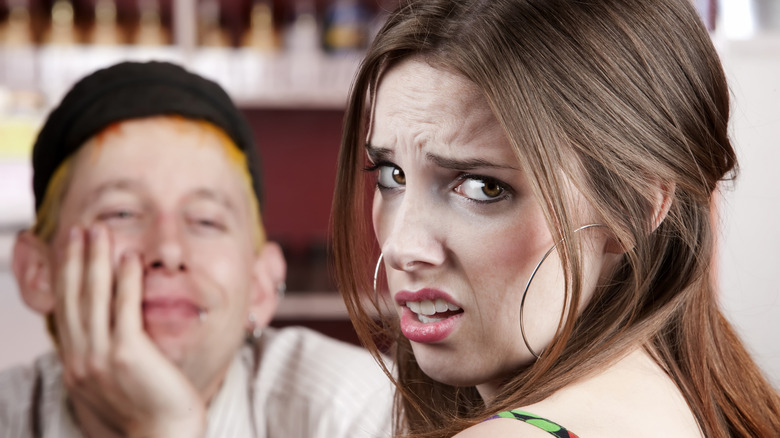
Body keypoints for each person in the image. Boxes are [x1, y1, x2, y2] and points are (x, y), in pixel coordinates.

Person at [331, 0, 780, 437]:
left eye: (481, 187)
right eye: (392, 175)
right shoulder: (695, 402)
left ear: (634, 205)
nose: (402, 246)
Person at [1, 61, 393, 438]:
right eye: (121, 213)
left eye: (207, 221)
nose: (169, 250)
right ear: (39, 270)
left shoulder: (357, 412)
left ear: (260, 284)